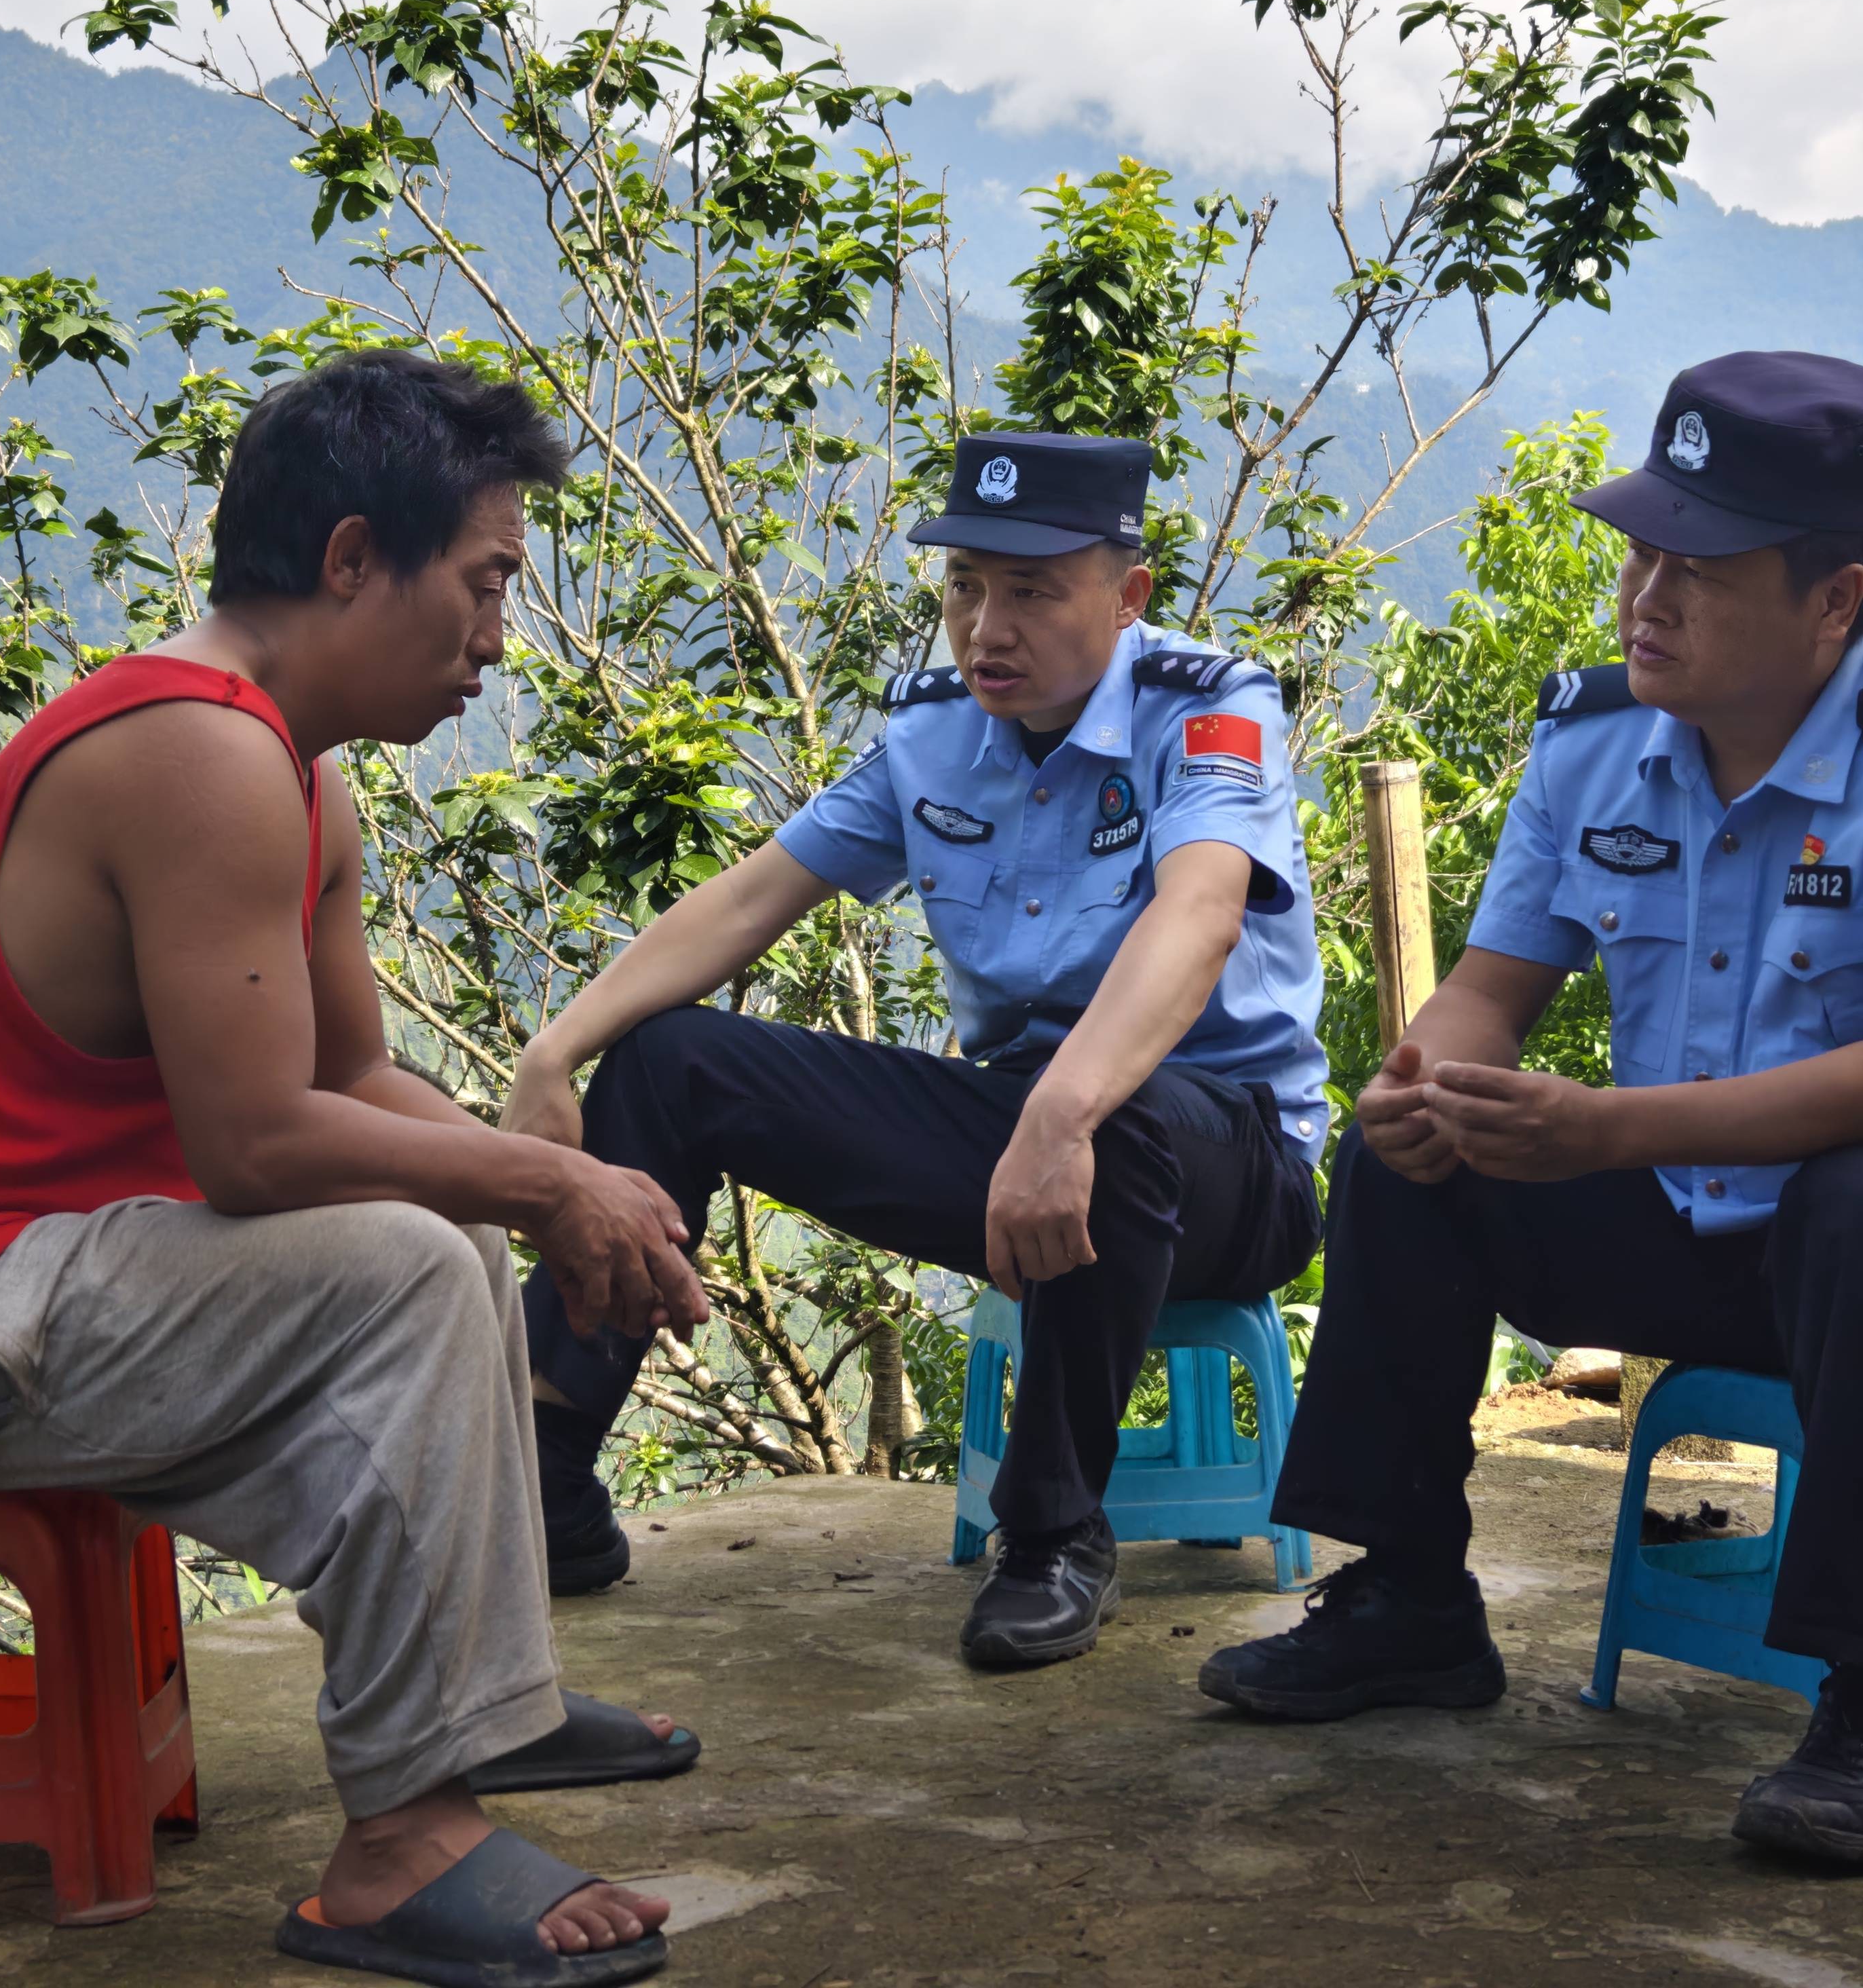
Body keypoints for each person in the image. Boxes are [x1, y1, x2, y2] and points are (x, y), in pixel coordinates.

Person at [0, 350, 703, 1985]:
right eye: (481, 586)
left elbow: (346, 1081)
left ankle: (476, 1711)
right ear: (348, 560)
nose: (495, 638)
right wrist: (541, 1192)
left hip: (31, 1286)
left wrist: (545, 1167)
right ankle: (401, 1845)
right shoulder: (193, 754)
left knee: (439, 1234)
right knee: (414, 1253)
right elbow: (258, 1149)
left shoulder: (289, 770)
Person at [1199, 352, 1863, 1871]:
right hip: (1710, 1231)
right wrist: (1421, 1079)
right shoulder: (1588, 745)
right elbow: (1488, 990)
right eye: (1637, 551)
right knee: (1408, 1158)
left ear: (1831, 600)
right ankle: (1407, 1600)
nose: (1644, 594)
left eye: (1695, 567)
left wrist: (1612, 1129)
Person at [502, 430, 1328, 1668]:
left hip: (1232, 1158)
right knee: (668, 1062)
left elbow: (1201, 911)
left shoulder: (1210, 706)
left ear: (1128, 595)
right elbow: (747, 902)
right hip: (1022, 1139)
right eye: (963, 588)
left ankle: (1053, 1538)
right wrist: (550, 1054)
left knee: (1114, 1114)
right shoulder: (933, 736)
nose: (986, 627)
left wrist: (1060, 1119)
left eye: (1032, 591)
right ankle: (551, 1474)